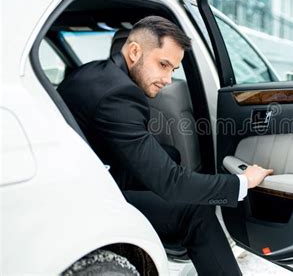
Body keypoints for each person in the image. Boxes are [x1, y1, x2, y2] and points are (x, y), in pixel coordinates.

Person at [57, 16, 273, 275]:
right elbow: (171, 183)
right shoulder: (119, 95)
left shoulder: (91, 72)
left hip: (79, 174)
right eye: (163, 65)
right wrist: (243, 182)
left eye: (173, 70)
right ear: (135, 51)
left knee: (169, 153)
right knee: (196, 214)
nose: (168, 79)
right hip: (82, 199)